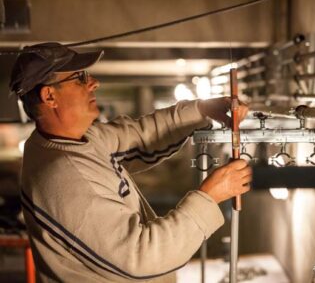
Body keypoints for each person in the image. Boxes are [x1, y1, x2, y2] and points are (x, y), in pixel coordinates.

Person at [9, 42, 251, 283]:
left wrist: (201, 109)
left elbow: (141, 136)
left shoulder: (79, 138)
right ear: (49, 96)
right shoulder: (62, 178)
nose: (94, 83)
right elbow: (142, 257)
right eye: (80, 78)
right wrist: (209, 196)